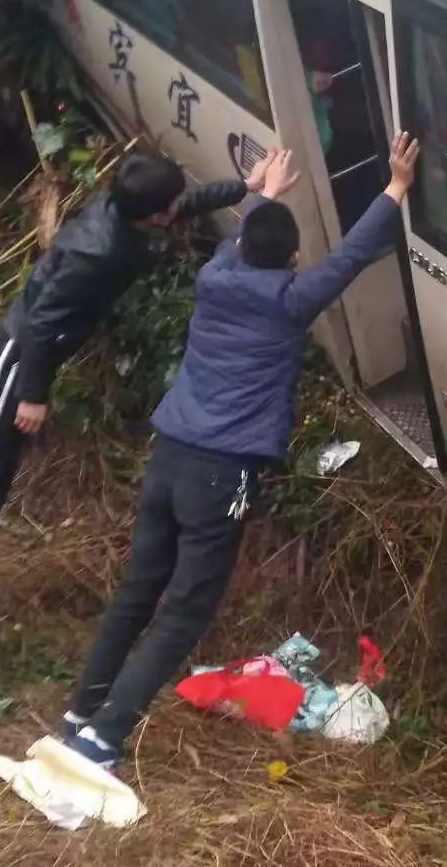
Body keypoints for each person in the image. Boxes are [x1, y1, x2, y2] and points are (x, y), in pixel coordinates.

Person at [59, 133, 421, 771]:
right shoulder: (289, 300)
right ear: (291, 261)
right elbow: (354, 255)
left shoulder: (215, 273)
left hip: (168, 456)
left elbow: (246, 240)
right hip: (219, 474)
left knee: (138, 591)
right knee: (184, 610)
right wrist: (394, 185)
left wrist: (266, 195)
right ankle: (103, 740)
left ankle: (80, 712)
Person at [0, 150, 279, 641]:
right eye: (171, 204)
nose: (176, 209)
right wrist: (32, 394)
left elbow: (183, 205)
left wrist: (245, 187)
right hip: (15, 356)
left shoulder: (124, 207)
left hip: (34, 356)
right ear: (154, 213)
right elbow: (38, 324)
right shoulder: (97, 253)